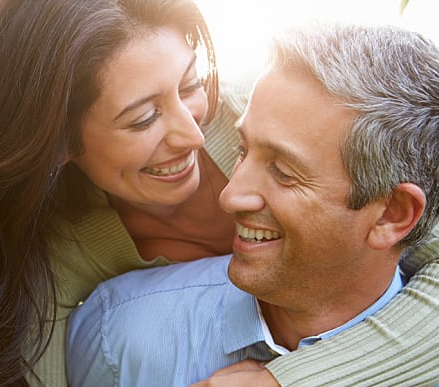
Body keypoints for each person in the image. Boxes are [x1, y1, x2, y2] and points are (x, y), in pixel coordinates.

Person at [0, 0, 439, 385]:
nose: (193, 133)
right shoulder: (57, 254)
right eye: (143, 118)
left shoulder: (285, 119)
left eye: (190, 85)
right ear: (59, 141)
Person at [66, 21, 439, 387]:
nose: (229, 196)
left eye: (283, 171)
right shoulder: (116, 336)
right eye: (242, 151)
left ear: (392, 214)